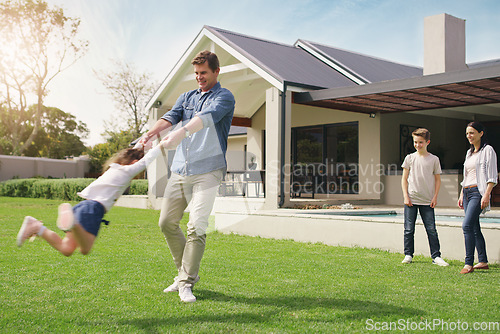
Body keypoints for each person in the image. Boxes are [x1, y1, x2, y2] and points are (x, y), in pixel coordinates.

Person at [139, 50, 235, 303]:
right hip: (181, 169)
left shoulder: (224, 97)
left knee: (196, 227)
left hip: (209, 171)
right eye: (196, 73)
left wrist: (181, 134)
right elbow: (170, 117)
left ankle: (186, 282)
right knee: (166, 223)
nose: (199, 78)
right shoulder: (187, 97)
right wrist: (150, 134)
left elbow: (206, 118)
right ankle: (184, 273)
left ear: (216, 72)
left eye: (204, 73)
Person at [16, 140, 167, 256]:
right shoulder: (128, 171)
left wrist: (141, 145)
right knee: (85, 248)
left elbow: (135, 154)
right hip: (94, 209)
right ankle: (72, 223)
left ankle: (36, 226)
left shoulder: (114, 168)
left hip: (83, 206)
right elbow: (146, 161)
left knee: (67, 249)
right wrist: (161, 145)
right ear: (134, 163)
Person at [401, 128, 449, 266]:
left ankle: (436, 257)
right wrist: (406, 196)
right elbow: (404, 179)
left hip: (427, 201)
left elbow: (438, 180)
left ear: (427, 142)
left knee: (431, 230)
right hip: (411, 200)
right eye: (415, 142)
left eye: (420, 142)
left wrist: (435, 197)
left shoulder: (434, 159)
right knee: (409, 229)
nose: (417, 145)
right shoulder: (409, 158)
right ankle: (408, 254)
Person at [457, 122, 498, 274]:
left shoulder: (488, 150)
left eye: (472, 133)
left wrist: (487, 194)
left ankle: (468, 263)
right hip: (467, 192)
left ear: (481, 133)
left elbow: (492, 175)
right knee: (474, 227)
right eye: (467, 133)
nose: (469, 136)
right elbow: (466, 176)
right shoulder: (469, 153)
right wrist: (461, 193)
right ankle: (483, 261)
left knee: (466, 226)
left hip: (478, 192)